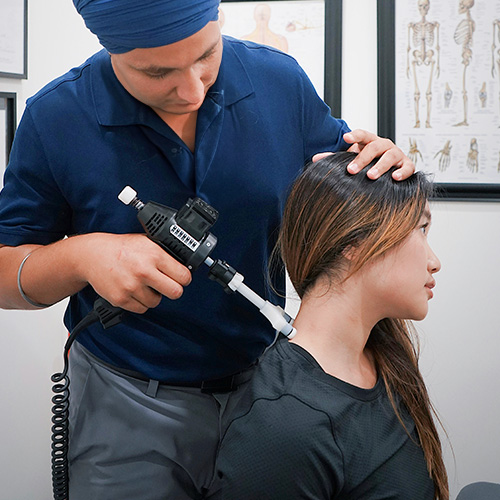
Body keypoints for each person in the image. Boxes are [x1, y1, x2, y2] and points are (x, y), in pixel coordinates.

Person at [0, 1, 414, 498]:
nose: (193, 90)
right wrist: (82, 255)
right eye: (158, 72)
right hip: (127, 400)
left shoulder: (278, 82)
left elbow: (346, 183)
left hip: (271, 389)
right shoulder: (56, 117)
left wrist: (382, 163)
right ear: (109, 49)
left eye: (207, 55)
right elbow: (6, 273)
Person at [206, 151, 449, 500]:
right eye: (421, 228)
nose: (434, 261)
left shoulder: (385, 359)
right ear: (354, 242)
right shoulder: (285, 424)